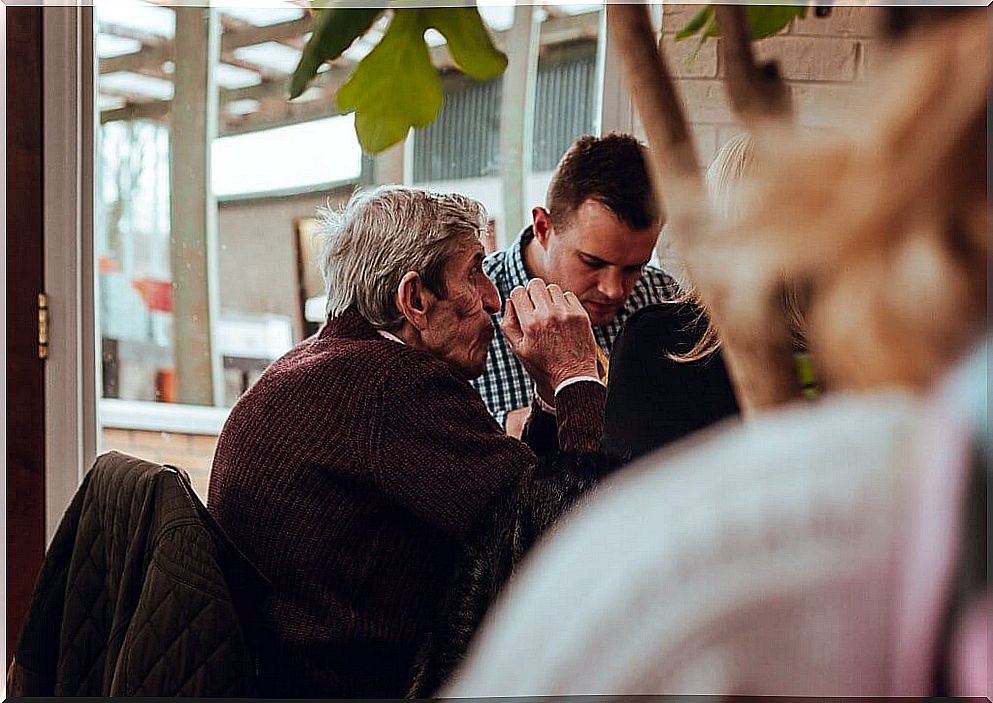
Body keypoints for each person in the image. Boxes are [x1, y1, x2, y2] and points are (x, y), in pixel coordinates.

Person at [207, 186, 612, 698]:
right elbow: (576, 543)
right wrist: (578, 376)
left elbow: (521, 499)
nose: (493, 299)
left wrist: (551, 397)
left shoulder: (331, 363)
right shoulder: (393, 388)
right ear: (415, 298)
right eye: (475, 272)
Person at [473, 133, 680, 436]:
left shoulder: (661, 296)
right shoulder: (471, 308)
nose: (614, 290)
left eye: (635, 268)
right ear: (544, 227)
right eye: (592, 262)